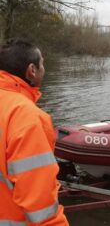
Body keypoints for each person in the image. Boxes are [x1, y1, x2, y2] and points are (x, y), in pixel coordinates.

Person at [0, 38, 69, 225]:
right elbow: (41, 206)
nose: (44, 70)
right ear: (32, 70)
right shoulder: (26, 117)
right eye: (42, 65)